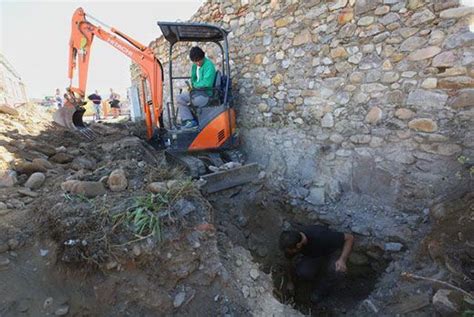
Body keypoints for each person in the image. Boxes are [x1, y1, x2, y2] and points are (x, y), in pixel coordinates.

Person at [279, 225, 354, 304]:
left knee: (338, 270)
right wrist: (290, 282)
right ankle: (315, 275)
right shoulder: (292, 243)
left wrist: (342, 259)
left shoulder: (322, 236)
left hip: (331, 251)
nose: (289, 253)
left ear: (298, 245)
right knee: (303, 272)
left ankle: (321, 291)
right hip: (314, 255)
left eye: (291, 251)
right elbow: (288, 261)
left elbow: (350, 238)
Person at [176, 46, 216, 129]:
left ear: (203, 56)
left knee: (185, 99)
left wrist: (195, 85)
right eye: (195, 61)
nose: (197, 63)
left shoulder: (209, 65)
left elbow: (207, 83)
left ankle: (191, 122)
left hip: (206, 94)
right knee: (179, 97)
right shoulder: (196, 66)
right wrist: (194, 71)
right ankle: (189, 120)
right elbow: (193, 80)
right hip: (198, 92)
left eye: (199, 60)